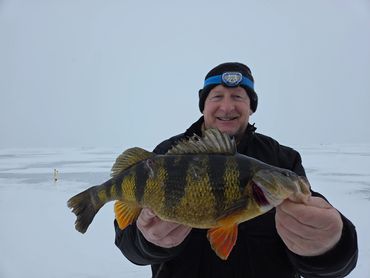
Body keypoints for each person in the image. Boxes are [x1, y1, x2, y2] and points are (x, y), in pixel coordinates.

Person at [114, 62, 358, 277]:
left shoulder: (281, 158)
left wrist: (329, 247)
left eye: (238, 97)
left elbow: (331, 264)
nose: (227, 106)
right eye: (217, 96)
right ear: (203, 105)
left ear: (251, 106)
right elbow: (127, 242)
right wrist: (148, 241)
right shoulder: (168, 154)